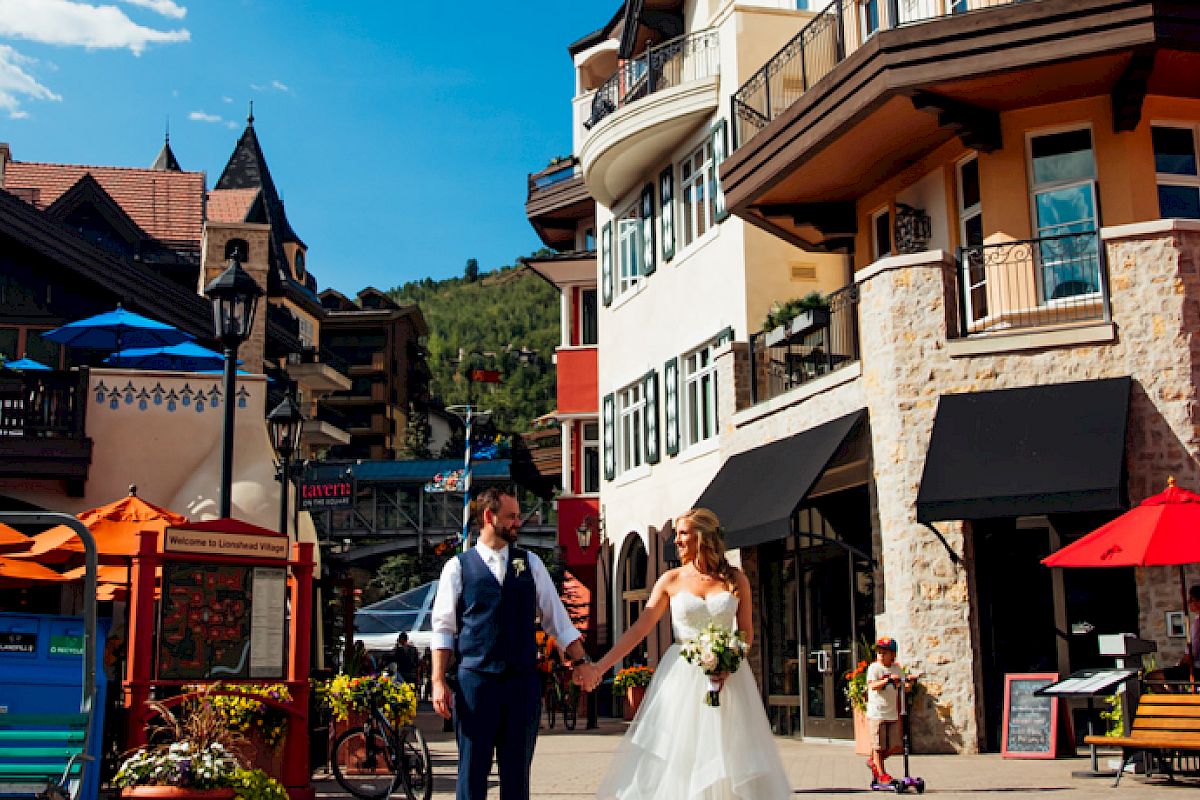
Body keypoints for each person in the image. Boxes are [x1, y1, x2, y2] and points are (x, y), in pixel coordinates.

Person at [573, 508, 791, 800]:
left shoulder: (735, 579)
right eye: (676, 534)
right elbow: (639, 630)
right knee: (680, 757)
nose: (676, 541)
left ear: (703, 537)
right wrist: (600, 667)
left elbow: (747, 632)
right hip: (682, 679)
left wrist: (730, 661)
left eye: (682, 534)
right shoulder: (670, 580)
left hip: (729, 680)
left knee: (729, 754)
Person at [430, 485, 592, 800]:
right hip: (475, 682)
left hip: (522, 683)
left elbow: (557, 620)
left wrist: (582, 662)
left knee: (517, 774)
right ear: (489, 517)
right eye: (512, 516)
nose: (519, 522)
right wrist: (438, 680)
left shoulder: (530, 563)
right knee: (472, 772)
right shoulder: (458, 567)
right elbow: (443, 628)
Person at [865, 636, 911, 788]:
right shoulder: (874, 668)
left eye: (885, 652)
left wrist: (907, 682)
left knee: (895, 746)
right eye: (879, 652)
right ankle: (881, 773)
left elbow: (904, 685)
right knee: (877, 746)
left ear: (893, 655)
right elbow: (873, 685)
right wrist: (887, 680)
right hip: (877, 713)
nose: (881, 655)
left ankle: (873, 762)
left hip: (891, 713)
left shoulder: (896, 669)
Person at [1147, 585, 1200, 689]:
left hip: (1197, 669)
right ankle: (1176, 699)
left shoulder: (1198, 624)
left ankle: (1173, 703)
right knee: (1171, 680)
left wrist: (1180, 665)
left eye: (1191, 600)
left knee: (1151, 677)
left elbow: (1191, 652)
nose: (1189, 603)